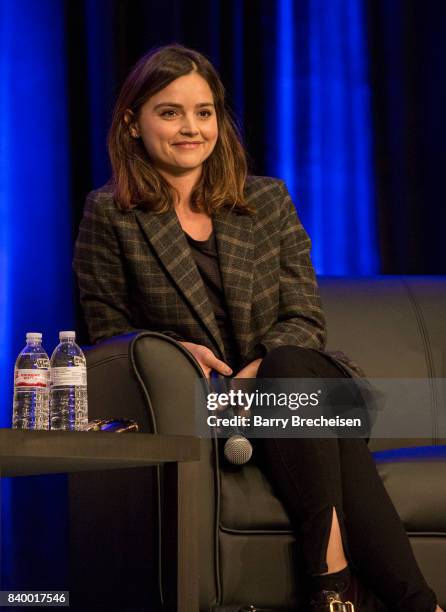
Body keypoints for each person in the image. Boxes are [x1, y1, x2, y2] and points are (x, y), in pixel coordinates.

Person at [73, 44, 443, 612]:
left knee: (291, 367)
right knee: (325, 427)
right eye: (169, 112)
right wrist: (172, 350)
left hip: (301, 384)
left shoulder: (266, 200)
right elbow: (107, 333)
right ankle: (408, 602)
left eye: (204, 111)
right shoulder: (111, 214)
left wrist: (262, 368)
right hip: (209, 405)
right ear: (131, 123)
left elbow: (304, 316)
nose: (191, 128)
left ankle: (333, 585)